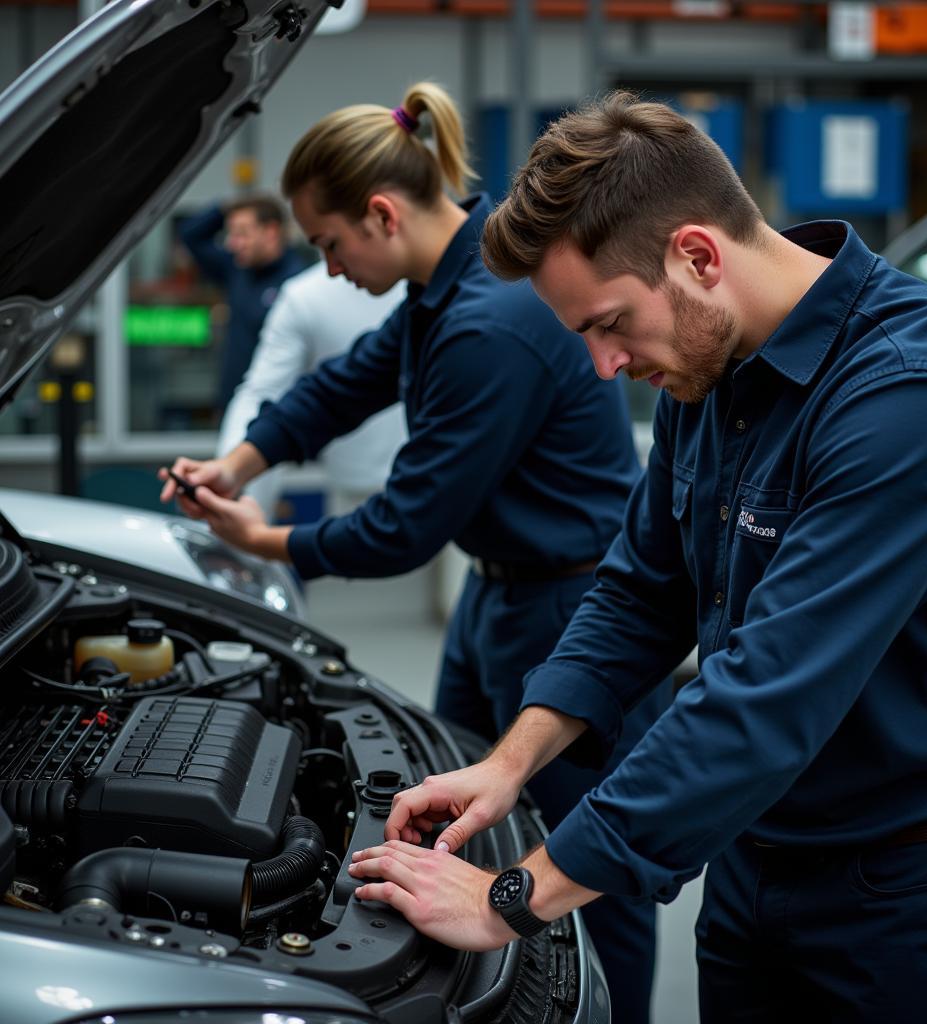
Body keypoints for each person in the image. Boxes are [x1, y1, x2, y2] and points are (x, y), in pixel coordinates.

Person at [348, 93, 927, 1022]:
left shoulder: (917, 395)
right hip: (752, 870)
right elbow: (639, 590)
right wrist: (510, 765)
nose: (604, 366)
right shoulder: (708, 370)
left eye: (609, 324)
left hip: (916, 902)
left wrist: (514, 898)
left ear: (698, 255)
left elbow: (765, 696)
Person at [159, 83, 669, 1024]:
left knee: (586, 869)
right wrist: (238, 462)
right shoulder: (446, 286)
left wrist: (263, 539)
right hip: (499, 601)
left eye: (329, 241)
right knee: (458, 826)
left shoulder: (488, 322)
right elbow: (346, 384)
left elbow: (406, 524)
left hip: (568, 613)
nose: (328, 264)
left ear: (382, 213)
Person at [217, 263, 406, 520]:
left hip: (450, 486)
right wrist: (234, 472)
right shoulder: (306, 296)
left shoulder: (438, 291)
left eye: (332, 243)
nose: (334, 268)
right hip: (359, 494)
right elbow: (315, 396)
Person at [179, 194, 306, 412]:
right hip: (233, 402)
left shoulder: (298, 282)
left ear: (271, 232)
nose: (232, 243)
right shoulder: (237, 270)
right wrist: (224, 207)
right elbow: (190, 235)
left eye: (242, 234)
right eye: (231, 234)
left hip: (277, 408)